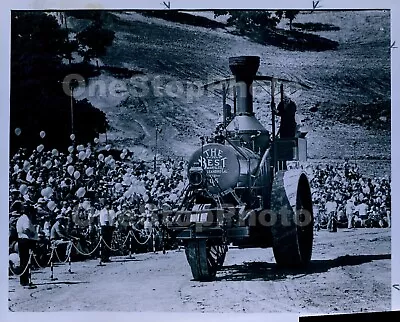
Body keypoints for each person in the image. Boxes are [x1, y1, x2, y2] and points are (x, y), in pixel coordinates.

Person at [16, 202, 38, 287]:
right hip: (26, 241)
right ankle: (26, 281)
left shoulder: (21, 218)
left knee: (23, 261)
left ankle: (24, 280)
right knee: (26, 261)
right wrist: (32, 235)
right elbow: (26, 229)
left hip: (22, 240)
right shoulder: (26, 219)